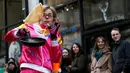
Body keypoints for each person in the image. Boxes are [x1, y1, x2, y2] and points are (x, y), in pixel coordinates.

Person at [4, 3, 62, 73]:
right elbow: (7, 37)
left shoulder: (56, 35)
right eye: (44, 15)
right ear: (39, 16)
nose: (46, 17)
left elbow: (56, 59)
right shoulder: (28, 27)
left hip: (46, 70)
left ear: (53, 19)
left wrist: (53, 38)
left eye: (49, 15)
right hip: (28, 67)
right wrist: (19, 33)